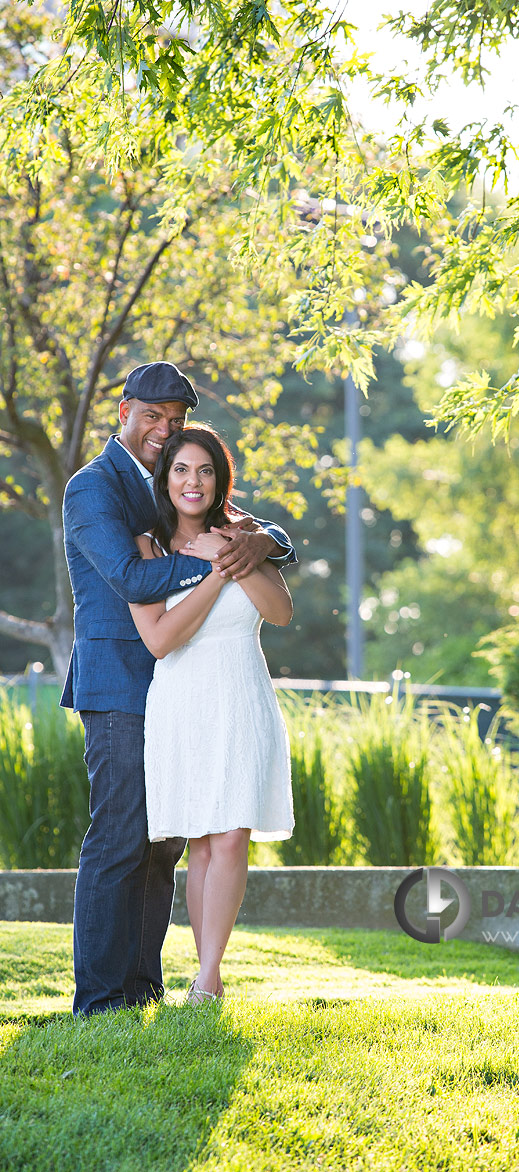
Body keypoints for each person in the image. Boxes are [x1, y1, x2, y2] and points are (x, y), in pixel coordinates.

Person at [62, 361, 296, 1017]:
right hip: (119, 684)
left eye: (175, 420)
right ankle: (101, 1000)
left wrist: (259, 540)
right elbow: (134, 581)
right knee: (119, 839)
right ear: (123, 412)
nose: (164, 431)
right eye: (152, 417)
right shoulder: (94, 489)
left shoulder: (176, 480)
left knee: (163, 841)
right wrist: (217, 556)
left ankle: (143, 986)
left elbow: (269, 535)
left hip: (183, 690)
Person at [129, 426, 294, 1003]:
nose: (192, 482)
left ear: (219, 477)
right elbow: (160, 640)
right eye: (180, 470)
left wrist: (231, 555)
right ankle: (209, 976)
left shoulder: (241, 536)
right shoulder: (147, 547)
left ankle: (205, 977)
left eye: (204, 471)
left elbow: (279, 612)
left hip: (241, 696)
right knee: (200, 842)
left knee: (231, 838)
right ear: (165, 478)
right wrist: (214, 573)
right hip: (182, 703)